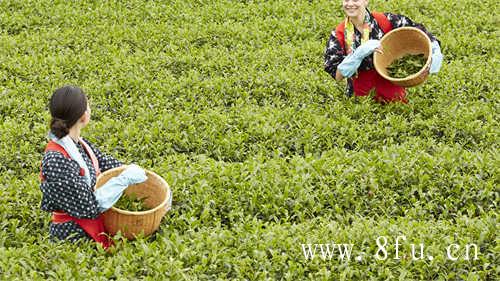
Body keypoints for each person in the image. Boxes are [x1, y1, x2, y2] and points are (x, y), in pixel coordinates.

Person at [39, 85, 147, 249]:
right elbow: (89, 207)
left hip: (93, 224)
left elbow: (105, 163)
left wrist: (131, 171)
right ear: (83, 117)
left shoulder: (78, 143)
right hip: (74, 236)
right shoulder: (56, 160)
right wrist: (123, 179)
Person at [324, 0, 443, 103]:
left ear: (365, 1)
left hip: (394, 97)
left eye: (355, 0)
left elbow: (420, 32)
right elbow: (337, 75)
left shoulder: (385, 20)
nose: (350, 4)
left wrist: (434, 48)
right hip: (360, 99)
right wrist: (357, 55)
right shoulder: (338, 34)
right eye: (346, 0)